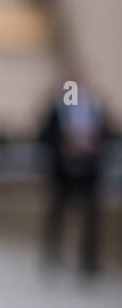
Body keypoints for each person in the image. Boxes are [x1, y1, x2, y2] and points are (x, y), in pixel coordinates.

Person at [39, 72, 111, 278]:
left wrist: (91, 143)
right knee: (57, 214)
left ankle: (89, 261)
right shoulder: (58, 109)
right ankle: (53, 255)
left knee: (91, 217)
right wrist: (65, 142)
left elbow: (108, 132)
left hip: (88, 171)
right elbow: (45, 135)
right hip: (63, 172)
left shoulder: (95, 108)